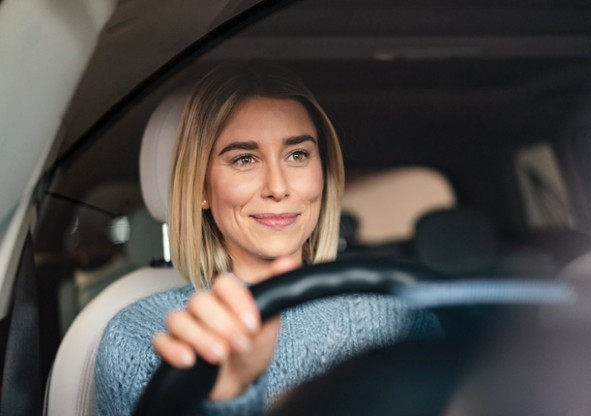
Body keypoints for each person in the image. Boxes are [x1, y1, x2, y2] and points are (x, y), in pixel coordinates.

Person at [95, 64, 439, 416]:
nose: (278, 187)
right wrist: (230, 394)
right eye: (245, 159)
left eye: (297, 155)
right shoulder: (139, 337)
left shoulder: (399, 316)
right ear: (200, 187)